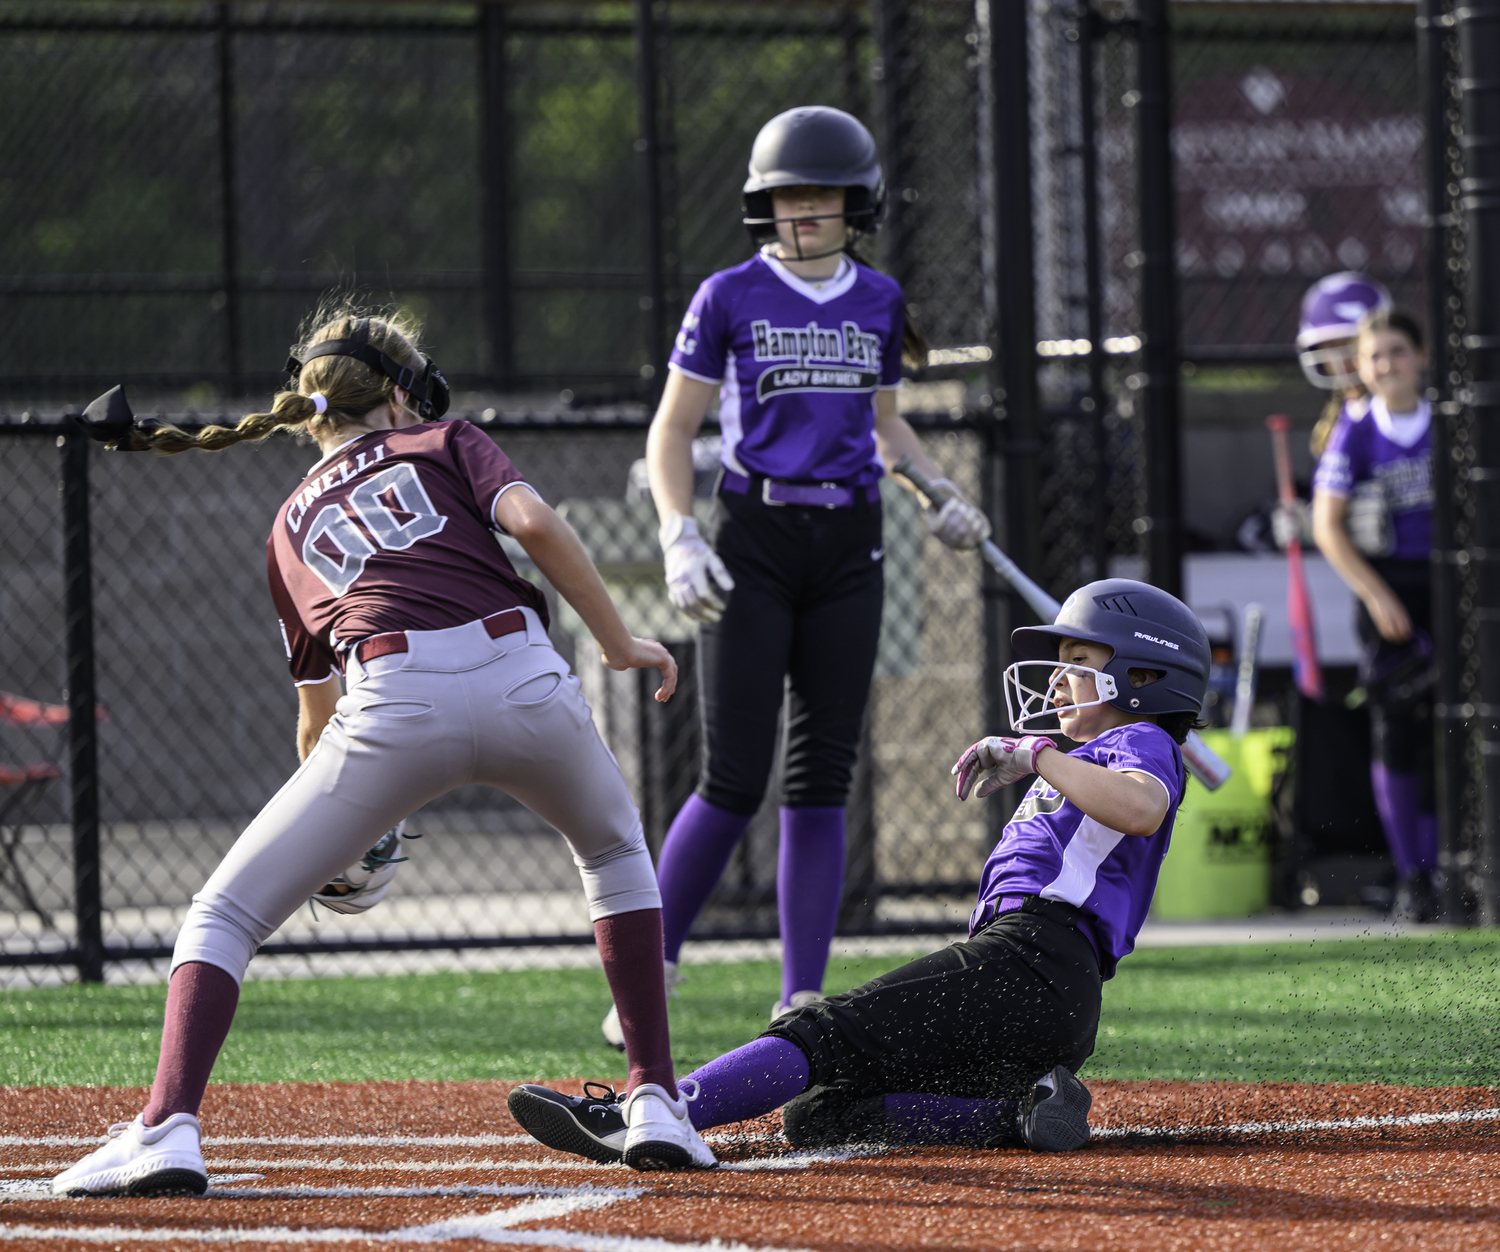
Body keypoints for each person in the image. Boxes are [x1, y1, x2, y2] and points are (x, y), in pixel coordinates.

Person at [52, 310, 717, 1197]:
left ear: (308, 411)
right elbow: (537, 524)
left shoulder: (288, 521)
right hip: (525, 675)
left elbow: (315, 717)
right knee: (617, 856)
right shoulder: (444, 437)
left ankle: (168, 1127)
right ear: (400, 394)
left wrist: (350, 838)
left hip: (393, 697)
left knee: (222, 916)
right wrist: (620, 639)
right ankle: (655, 1100)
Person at [513, 578, 1208, 1159]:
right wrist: (1047, 760)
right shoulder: (1088, 753)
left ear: (1142, 678)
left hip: (1033, 962)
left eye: (1079, 659)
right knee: (819, 1114)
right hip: (1041, 994)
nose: (1057, 679)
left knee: (822, 1029)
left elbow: (1141, 808)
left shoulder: (1139, 739)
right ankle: (1022, 1112)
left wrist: (1038, 757)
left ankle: (657, 1111)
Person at [598, 105, 991, 1048]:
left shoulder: (880, 299)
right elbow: (672, 430)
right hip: (755, 535)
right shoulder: (728, 294)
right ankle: (650, 969)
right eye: (785, 199)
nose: (801, 214)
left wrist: (937, 491)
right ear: (761, 206)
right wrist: (678, 534)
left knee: (822, 775)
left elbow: (885, 424)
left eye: (820, 198)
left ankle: (800, 995)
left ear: (856, 205)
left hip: (851, 541)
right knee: (731, 776)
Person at [1311, 308, 1439, 923]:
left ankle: (1455, 863)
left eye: (1398, 351)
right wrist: (1378, 595)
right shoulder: (1357, 429)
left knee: (1457, 727)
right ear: (1360, 368)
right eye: (1375, 356)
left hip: (1451, 588)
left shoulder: (1450, 421)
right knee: (1396, 728)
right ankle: (1415, 876)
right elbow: (1327, 526)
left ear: (1420, 356)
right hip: (1389, 593)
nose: (1388, 365)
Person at [1296, 271, 1391, 460]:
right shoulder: (1334, 422)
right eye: (1331, 345)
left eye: (1351, 343)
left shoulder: (1408, 409)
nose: (1342, 358)